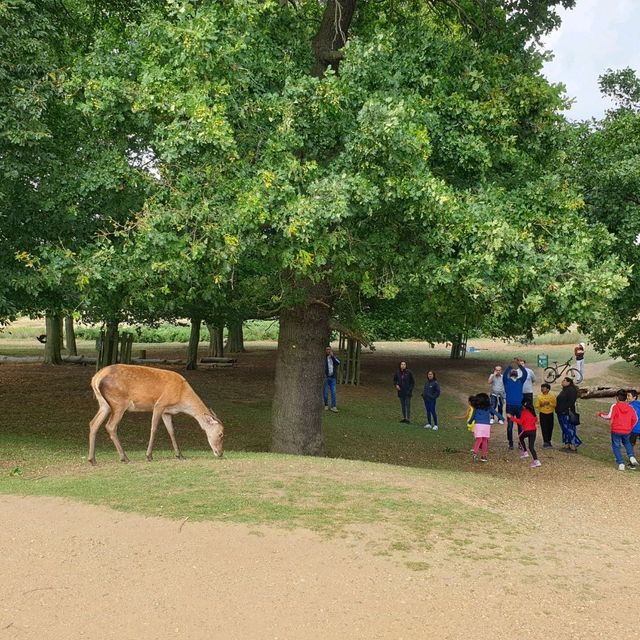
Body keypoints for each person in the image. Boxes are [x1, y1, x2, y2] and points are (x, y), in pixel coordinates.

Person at [596, 389, 638, 471]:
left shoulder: (614, 406)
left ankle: (621, 463)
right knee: (627, 443)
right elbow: (635, 419)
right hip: (627, 430)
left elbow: (609, 416)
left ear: (617, 398)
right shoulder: (630, 407)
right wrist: (630, 426)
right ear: (626, 398)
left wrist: (600, 414)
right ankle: (631, 456)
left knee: (616, 446)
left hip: (616, 430)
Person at [503, 359, 528, 450]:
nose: (513, 372)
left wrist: (519, 365)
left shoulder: (520, 381)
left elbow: (525, 373)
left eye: (514, 371)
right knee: (510, 425)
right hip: (510, 406)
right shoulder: (506, 381)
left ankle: (520, 442)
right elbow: (505, 374)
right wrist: (510, 365)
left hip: (518, 406)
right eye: (512, 371)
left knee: (520, 425)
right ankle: (510, 443)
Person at [508, 401, 542, 468]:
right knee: (531, 447)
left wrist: (511, 418)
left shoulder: (524, 412)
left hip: (527, 430)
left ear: (524, 406)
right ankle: (536, 461)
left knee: (520, 437)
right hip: (533, 431)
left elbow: (520, 422)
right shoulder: (533, 412)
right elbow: (536, 420)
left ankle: (525, 452)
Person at [468, 393, 499, 463]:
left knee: (478, 439)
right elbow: (495, 412)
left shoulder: (476, 408)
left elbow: (473, 417)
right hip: (486, 426)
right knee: (485, 440)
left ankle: (475, 453)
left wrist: (470, 422)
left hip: (478, 425)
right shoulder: (488, 408)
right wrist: (502, 418)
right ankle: (483, 456)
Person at [556, 377, 581, 452]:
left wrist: (564, 409)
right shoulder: (564, 390)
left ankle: (573, 445)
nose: (562, 382)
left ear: (569, 382)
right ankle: (567, 444)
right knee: (564, 429)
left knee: (569, 429)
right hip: (561, 412)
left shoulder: (571, 390)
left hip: (567, 413)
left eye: (564, 380)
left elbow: (571, 402)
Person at [535, 383, 556, 448]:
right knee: (544, 427)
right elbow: (536, 406)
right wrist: (542, 404)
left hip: (550, 413)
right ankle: (545, 441)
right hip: (543, 414)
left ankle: (549, 440)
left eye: (543, 388)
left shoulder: (552, 396)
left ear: (548, 389)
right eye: (541, 388)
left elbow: (555, 405)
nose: (542, 389)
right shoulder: (539, 396)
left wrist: (549, 403)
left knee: (550, 427)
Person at [323, 346, 341, 412]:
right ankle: (326, 405)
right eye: (327, 349)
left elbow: (338, 363)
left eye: (329, 349)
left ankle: (333, 406)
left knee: (333, 392)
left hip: (333, 378)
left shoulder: (334, 357)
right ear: (325, 350)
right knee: (325, 393)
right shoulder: (324, 358)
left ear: (331, 350)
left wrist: (332, 356)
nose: (328, 351)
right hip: (326, 378)